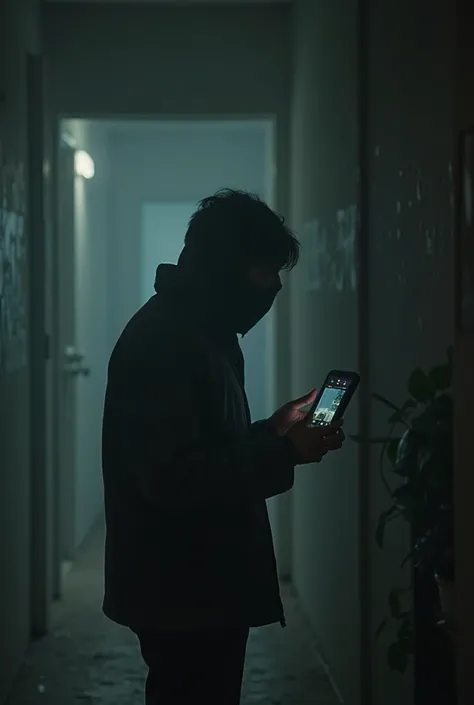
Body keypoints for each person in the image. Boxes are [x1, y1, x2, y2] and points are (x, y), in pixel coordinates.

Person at [101, 189, 345, 705]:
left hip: (196, 585)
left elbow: (202, 446)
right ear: (225, 267)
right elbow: (176, 478)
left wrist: (272, 430)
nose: (274, 286)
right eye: (265, 270)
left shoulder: (200, 330)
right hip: (183, 590)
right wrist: (286, 453)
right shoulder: (168, 340)